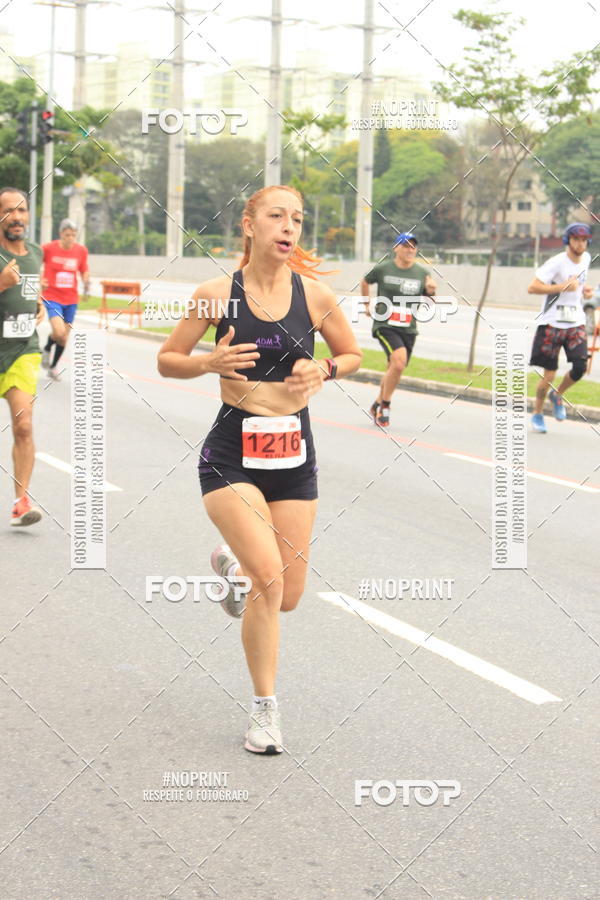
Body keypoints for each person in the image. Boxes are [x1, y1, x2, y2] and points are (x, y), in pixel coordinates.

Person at [157, 185, 361, 754]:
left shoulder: (315, 296)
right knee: (269, 581)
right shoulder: (216, 293)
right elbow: (167, 360)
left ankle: (231, 565)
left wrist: (325, 370)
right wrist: (208, 363)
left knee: (287, 594)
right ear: (249, 225)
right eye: (276, 215)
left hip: (295, 454)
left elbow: (350, 353)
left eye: (297, 217)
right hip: (231, 454)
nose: (288, 226)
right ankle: (265, 710)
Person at [0, 187, 44, 526]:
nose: (16, 217)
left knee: (24, 425)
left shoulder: (35, 254)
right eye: (8, 211)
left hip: (22, 350)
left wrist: (38, 305)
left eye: (22, 210)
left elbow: (31, 289)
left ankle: (21, 501)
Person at [360, 233, 436, 427]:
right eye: (406, 246)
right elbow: (365, 281)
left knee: (394, 367)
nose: (410, 250)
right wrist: (366, 304)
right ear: (396, 248)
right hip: (385, 325)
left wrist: (431, 290)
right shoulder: (384, 269)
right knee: (399, 362)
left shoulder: (422, 272)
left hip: (408, 328)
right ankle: (385, 406)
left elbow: (429, 303)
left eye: (413, 247)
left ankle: (376, 403)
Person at [527, 222, 594, 433]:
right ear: (568, 240)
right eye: (576, 239)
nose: (581, 244)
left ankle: (557, 395)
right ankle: (538, 412)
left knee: (580, 366)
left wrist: (585, 292)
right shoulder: (556, 263)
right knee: (549, 375)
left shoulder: (587, 258)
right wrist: (561, 287)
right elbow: (533, 287)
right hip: (552, 323)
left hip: (575, 322)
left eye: (584, 240)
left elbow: (578, 285)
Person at [41, 218, 90, 381]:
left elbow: (84, 269)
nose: (70, 238)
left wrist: (86, 280)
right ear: (61, 234)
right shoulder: (48, 248)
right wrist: (39, 279)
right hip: (52, 296)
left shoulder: (81, 251)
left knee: (64, 336)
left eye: (73, 235)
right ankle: (47, 348)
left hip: (71, 298)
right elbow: (34, 261)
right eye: (67, 235)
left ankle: (53, 367)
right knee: (59, 331)